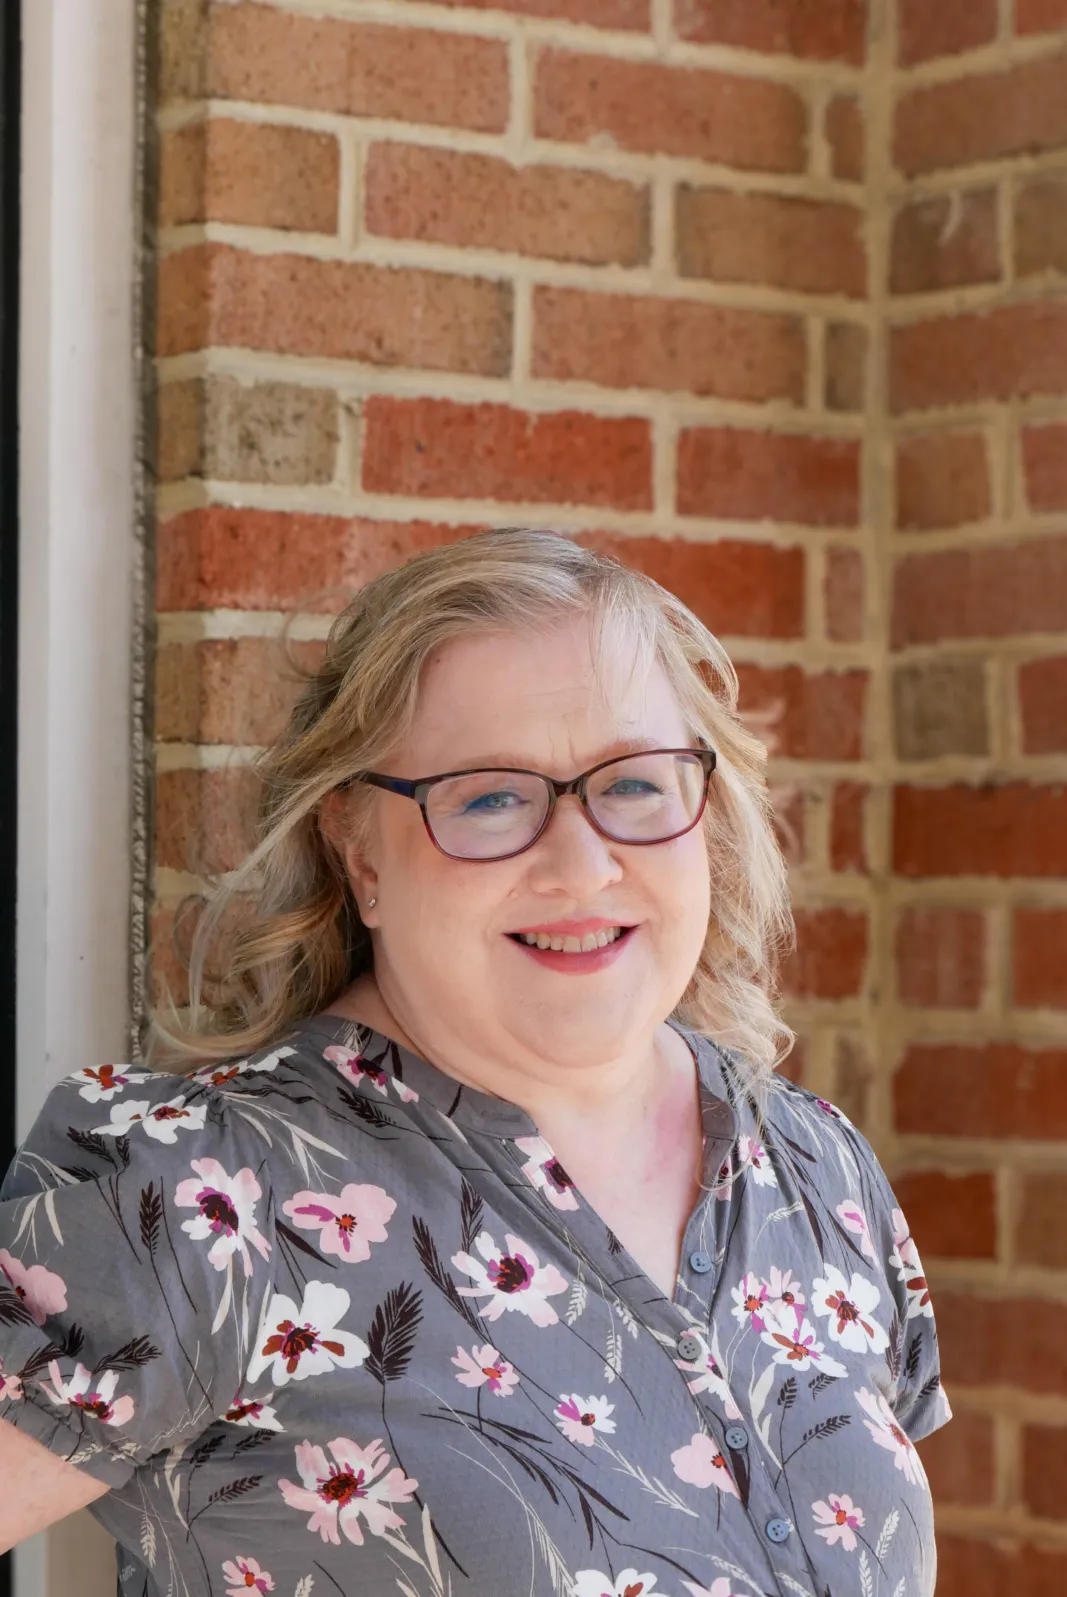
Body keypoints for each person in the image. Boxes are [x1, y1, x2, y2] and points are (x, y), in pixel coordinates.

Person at [0, 529, 951, 1597]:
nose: (582, 863)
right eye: (490, 798)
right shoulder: (205, 1200)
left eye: (634, 784)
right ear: (360, 855)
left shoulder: (816, 1170)